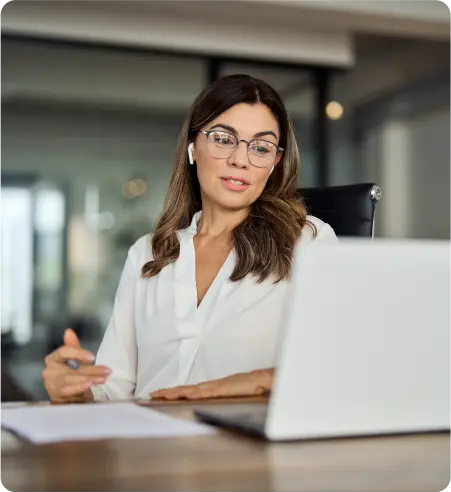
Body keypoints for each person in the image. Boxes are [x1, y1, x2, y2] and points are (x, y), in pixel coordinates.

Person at [42, 74, 338, 404]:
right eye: (224, 139)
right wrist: (74, 390)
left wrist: (248, 382)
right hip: (150, 445)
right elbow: (112, 389)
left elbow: (337, 364)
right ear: (193, 147)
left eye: (261, 147)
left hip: (250, 449)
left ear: (274, 163)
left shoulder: (308, 243)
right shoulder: (148, 253)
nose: (241, 160)